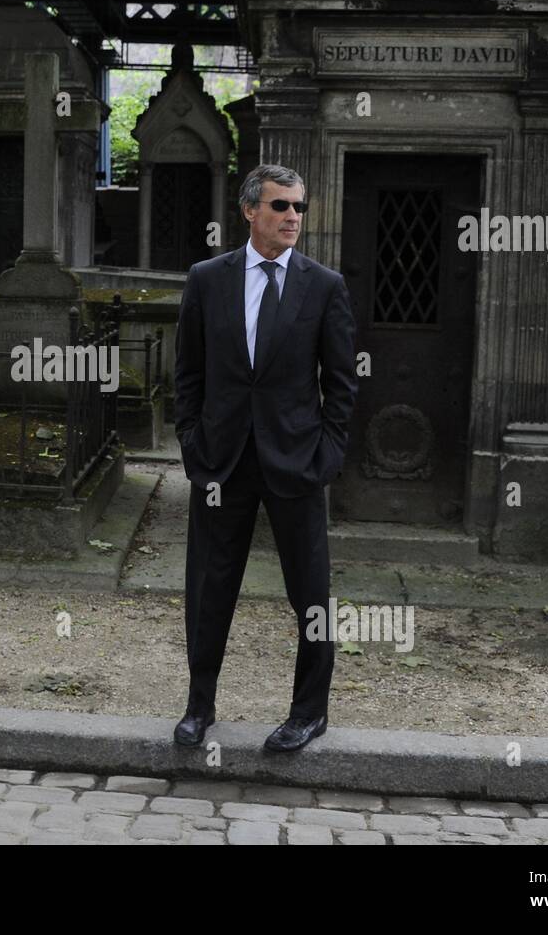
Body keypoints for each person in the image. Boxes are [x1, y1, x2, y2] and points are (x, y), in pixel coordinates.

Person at [173, 163, 358, 752]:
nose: (293, 218)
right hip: (221, 463)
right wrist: (193, 446)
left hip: (296, 461)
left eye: (299, 207)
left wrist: (326, 457)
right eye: (280, 206)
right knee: (209, 586)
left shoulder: (323, 285)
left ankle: (309, 712)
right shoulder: (207, 279)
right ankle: (199, 706)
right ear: (250, 210)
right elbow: (188, 374)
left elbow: (342, 383)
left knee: (309, 591)